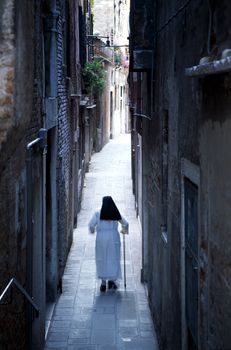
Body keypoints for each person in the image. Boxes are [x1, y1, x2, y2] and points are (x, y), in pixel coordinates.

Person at [88, 196, 129, 292]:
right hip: (113, 237)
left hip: (101, 238)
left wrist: (93, 230)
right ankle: (112, 280)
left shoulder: (98, 213)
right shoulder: (115, 212)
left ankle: (103, 282)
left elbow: (91, 225)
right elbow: (126, 223)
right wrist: (124, 230)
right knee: (113, 257)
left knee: (102, 258)